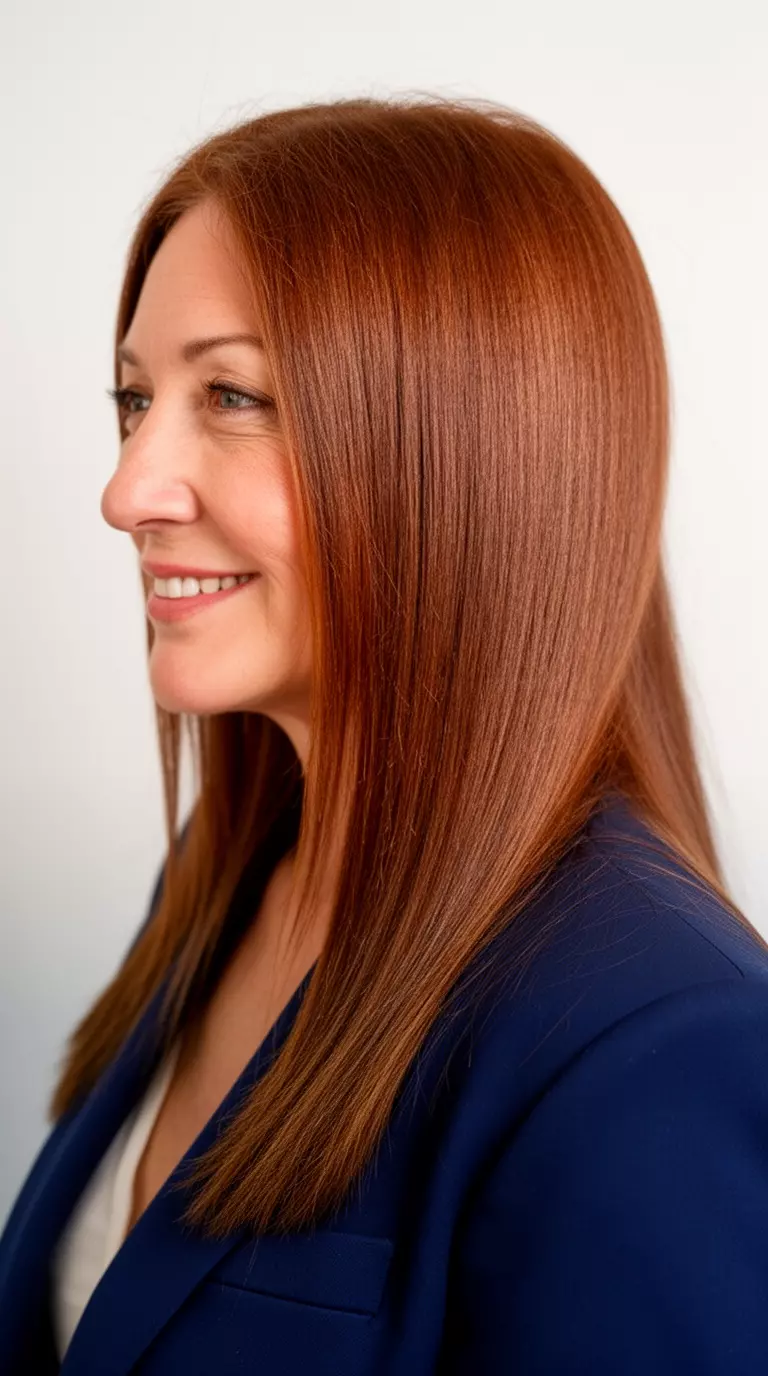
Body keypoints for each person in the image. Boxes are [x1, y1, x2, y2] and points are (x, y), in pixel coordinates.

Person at [1, 94, 767, 1376]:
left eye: (231, 394)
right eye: (136, 397)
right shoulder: (229, 870)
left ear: (467, 452)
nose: (127, 487)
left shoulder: (655, 1046)